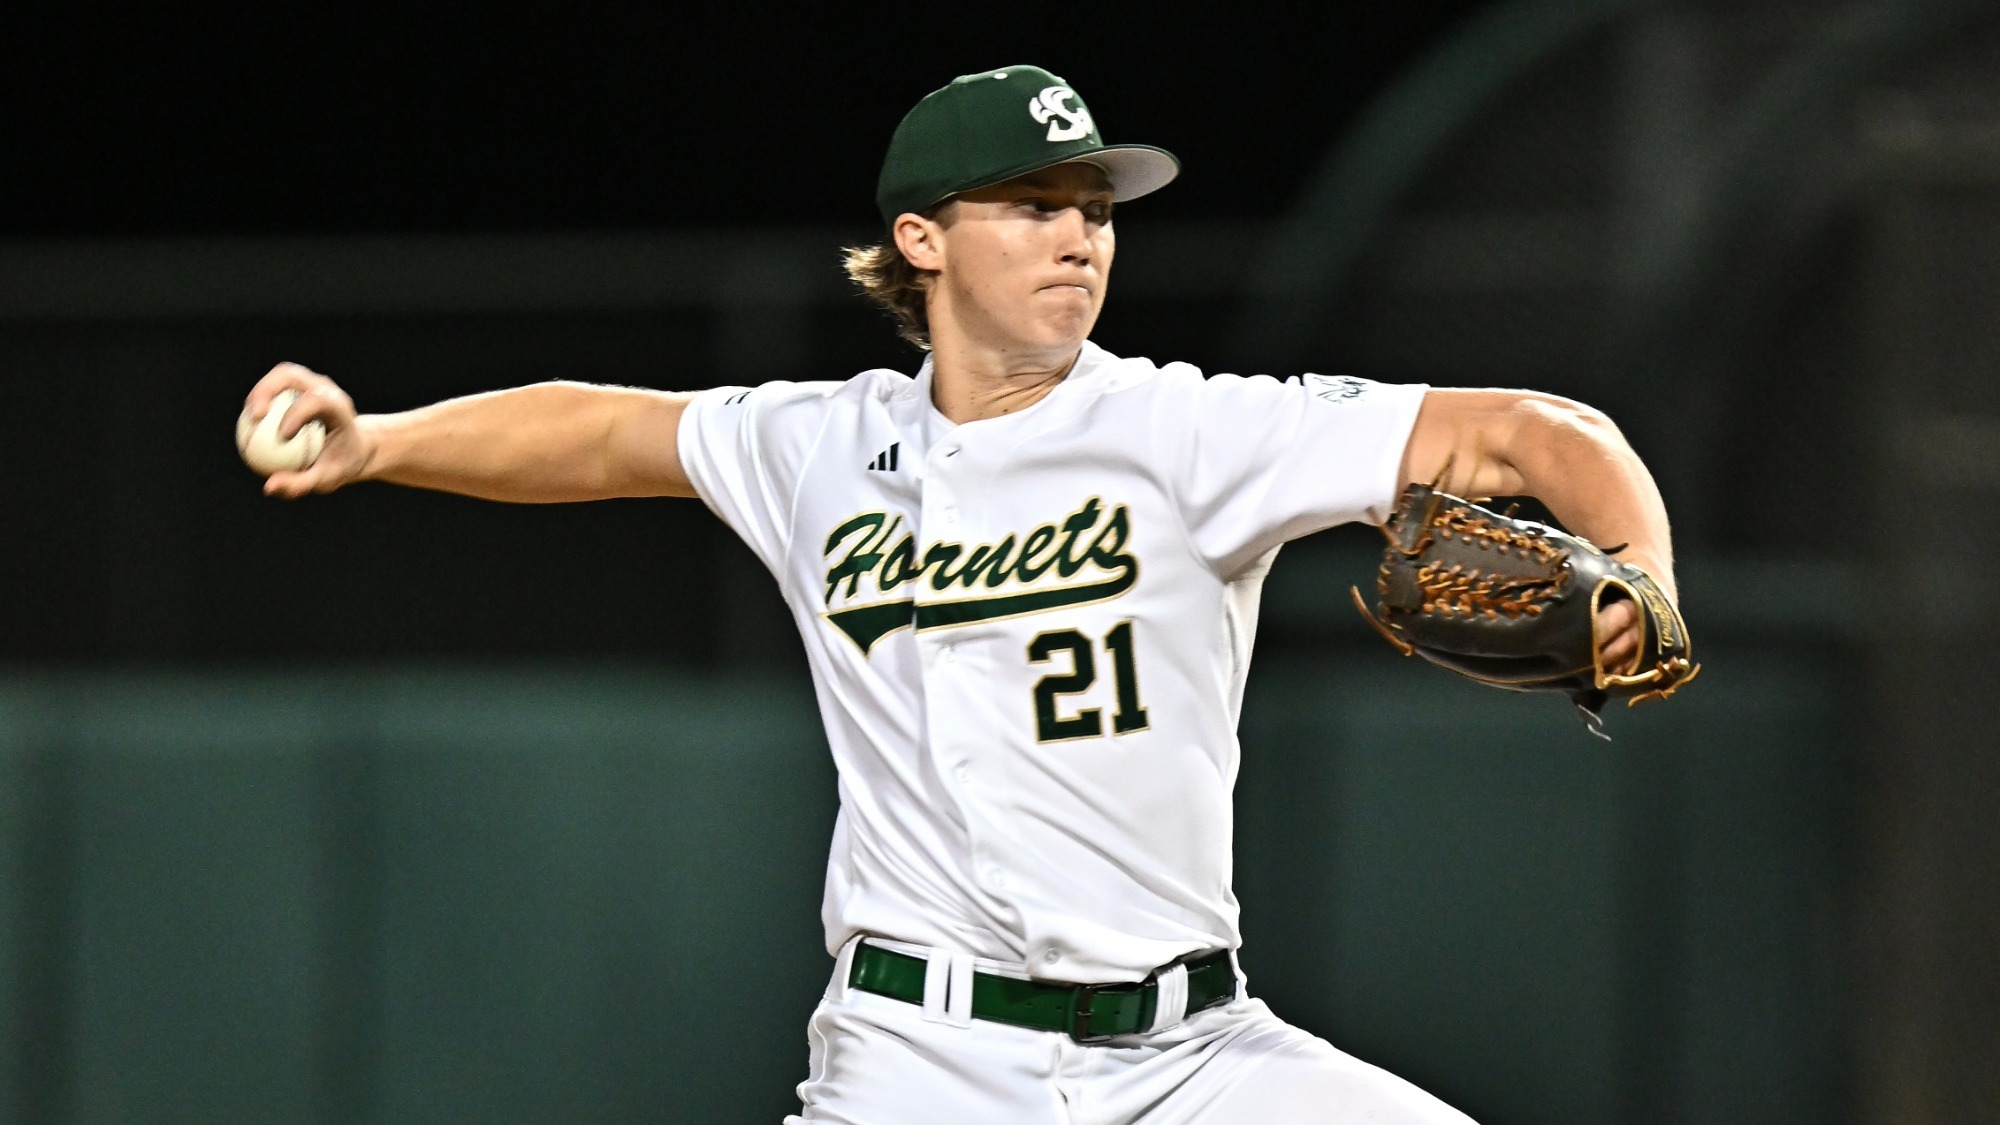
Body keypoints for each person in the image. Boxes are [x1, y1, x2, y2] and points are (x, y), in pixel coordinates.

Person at [242, 65, 1670, 1124]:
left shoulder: (1187, 428)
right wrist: (383, 444)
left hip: (1191, 1055)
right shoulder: (817, 446)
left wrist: (1643, 575)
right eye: (1035, 205)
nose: (1082, 237)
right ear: (921, 239)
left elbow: (1538, 434)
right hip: (920, 1059)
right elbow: (607, 431)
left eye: (1096, 209)